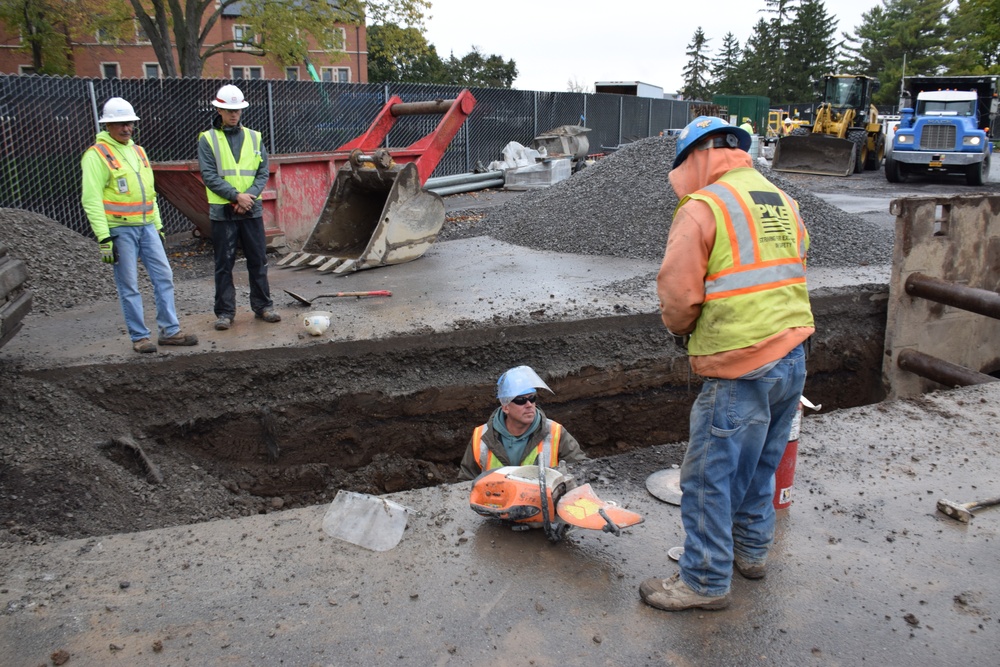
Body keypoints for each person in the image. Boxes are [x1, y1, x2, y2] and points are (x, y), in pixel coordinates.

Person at [640, 116, 814, 612]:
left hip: (740, 364)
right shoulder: (781, 200)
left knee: (707, 478)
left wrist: (683, 330)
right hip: (793, 355)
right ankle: (752, 552)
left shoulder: (704, 207)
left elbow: (678, 294)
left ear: (697, 156)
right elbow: (794, 262)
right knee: (762, 463)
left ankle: (704, 580)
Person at [80, 97, 198, 354]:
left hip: (147, 228)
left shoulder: (138, 152)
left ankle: (170, 331)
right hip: (119, 229)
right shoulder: (96, 155)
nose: (126, 128)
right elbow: (91, 199)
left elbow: (149, 192)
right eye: (120, 124)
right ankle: (139, 337)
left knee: (164, 276)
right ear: (107, 126)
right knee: (129, 284)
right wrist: (103, 238)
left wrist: (157, 225)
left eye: (129, 123)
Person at [198, 84, 280, 331]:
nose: (234, 114)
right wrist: (236, 197)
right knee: (224, 263)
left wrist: (249, 197)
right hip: (223, 211)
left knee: (258, 260)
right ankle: (225, 312)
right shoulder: (208, 139)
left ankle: (263, 306)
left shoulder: (255, 137)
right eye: (228, 109)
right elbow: (209, 175)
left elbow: (262, 171)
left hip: (250, 209)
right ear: (218, 109)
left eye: (237, 109)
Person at [458, 366, 587, 481]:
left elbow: (582, 470)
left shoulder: (555, 432)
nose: (529, 405)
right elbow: (465, 483)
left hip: (542, 504)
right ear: (505, 407)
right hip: (496, 505)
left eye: (532, 398)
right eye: (521, 400)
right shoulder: (481, 437)